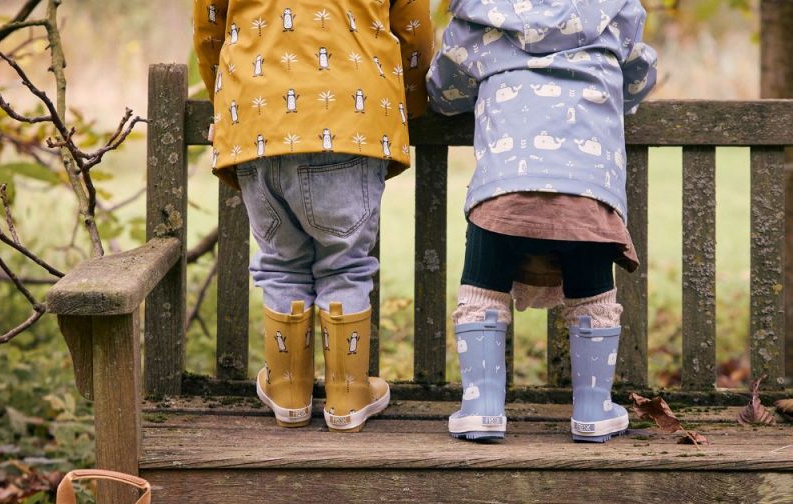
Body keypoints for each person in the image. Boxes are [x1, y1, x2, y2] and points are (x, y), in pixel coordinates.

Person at [193, 0, 433, 431]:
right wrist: (406, 107)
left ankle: (288, 393)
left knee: (280, 264)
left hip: (256, 119)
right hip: (350, 120)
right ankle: (347, 397)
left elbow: (210, 27)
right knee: (347, 265)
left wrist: (221, 102)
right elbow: (412, 30)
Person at [427, 0, 657, 443]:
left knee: (482, 287)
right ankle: (593, 410)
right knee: (592, 293)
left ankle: (482, 407)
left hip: (503, 187)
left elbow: (445, 90)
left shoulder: (482, 15)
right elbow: (638, 75)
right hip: (588, 187)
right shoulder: (612, 9)